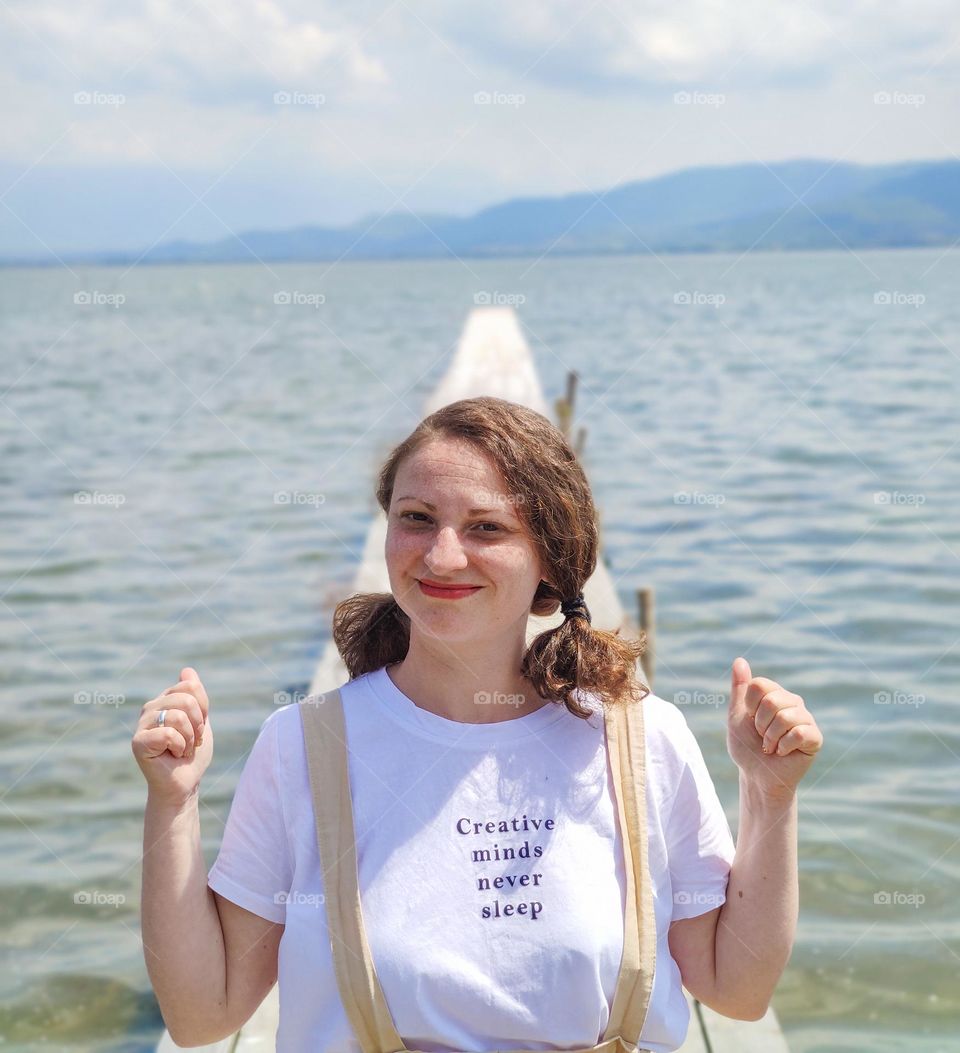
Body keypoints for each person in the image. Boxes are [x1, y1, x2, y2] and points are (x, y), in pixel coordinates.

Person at [132, 395, 823, 1052]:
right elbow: (203, 1014)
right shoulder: (304, 745)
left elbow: (737, 988)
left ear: (551, 556)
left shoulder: (641, 738)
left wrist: (771, 796)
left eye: (486, 527)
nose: (440, 555)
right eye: (417, 517)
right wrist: (173, 800)